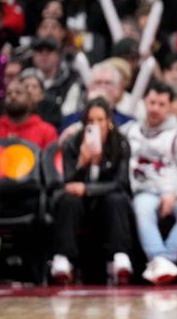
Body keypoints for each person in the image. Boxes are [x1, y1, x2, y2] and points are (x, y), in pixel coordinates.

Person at [124, 81, 177, 285]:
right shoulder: (129, 130)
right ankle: (161, 261)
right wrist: (75, 128)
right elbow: (103, 128)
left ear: (170, 107)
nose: (155, 108)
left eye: (161, 104)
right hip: (145, 190)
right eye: (152, 102)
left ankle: (164, 259)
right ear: (144, 102)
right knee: (142, 210)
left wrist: (174, 193)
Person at [50, 98, 134, 285]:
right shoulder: (72, 143)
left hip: (107, 203)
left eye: (100, 120)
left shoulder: (120, 143)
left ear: (109, 121)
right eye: (90, 121)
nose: (96, 125)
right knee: (69, 199)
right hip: (80, 205)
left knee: (117, 199)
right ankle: (63, 258)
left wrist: (88, 189)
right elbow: (69, 182)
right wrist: (82, 161)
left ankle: (120, 257)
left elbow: (121, 183)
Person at [0, 79, 57, 149]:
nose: (13, 96)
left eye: (18, 93)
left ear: (30, 100)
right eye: (8, 93)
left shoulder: (47, 132)